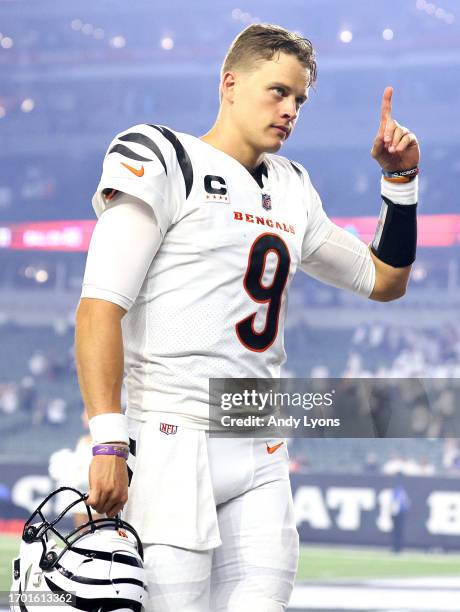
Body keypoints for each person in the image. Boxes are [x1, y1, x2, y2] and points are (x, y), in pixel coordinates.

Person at [75, 23, 420, 612]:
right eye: (278, 92)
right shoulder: (163, 158)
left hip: (258, 435)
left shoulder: (291, 188)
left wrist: (400, 183)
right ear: (230, 84)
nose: (290, 110)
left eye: (300, 100)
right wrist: (108, 440)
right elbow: (99, 306)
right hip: (172, 434)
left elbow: (383, 280)